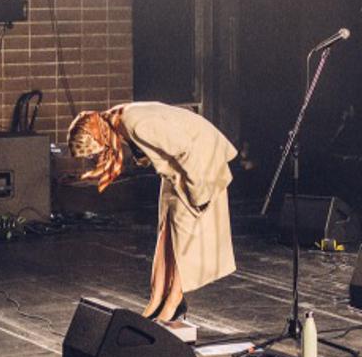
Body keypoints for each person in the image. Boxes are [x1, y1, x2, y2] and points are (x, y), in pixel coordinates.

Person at [68, 102, 237, 323]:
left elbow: (186, 150)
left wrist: (199, 192)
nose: (98, 156)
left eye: (95, 151)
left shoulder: (136, 125)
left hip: (198, 159)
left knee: (185, 232)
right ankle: (157, 298)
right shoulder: (115, 120)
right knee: (167, 227)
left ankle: (175, 300)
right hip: (177, 165)